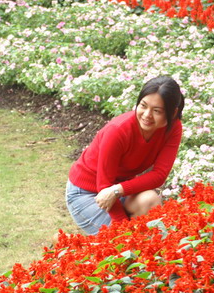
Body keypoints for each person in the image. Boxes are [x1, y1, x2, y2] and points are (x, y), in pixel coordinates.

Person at [65, 75, 185, 235]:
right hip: (86, 192)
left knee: (150, 200)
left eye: (157, 111)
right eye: (143, 105)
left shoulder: (173, 128)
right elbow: (104, 187)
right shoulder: (118, 130)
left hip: (115, 190)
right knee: (122, 240)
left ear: (172, 113)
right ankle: (63, 242)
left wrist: (118, 190)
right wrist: (123, 229)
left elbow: (159, 175)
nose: (147, 115)